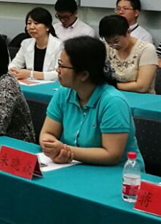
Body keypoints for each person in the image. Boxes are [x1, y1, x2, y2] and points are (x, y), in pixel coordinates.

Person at [40, 36, 143, 166]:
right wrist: (53, 149)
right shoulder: (63, 93)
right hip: (75, 166)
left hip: (119, 173)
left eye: (62, 66)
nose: (57, 70)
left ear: (84, 75)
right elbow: (47, 133)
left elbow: (112, 154)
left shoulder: (113, 102)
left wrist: (66, 151)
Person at [99, 15, 157, 94]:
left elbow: (142, 87)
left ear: (128, 32)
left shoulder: (146, 49)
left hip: (141, 97)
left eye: (116, 41)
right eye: (108, 42)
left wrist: (112, 85)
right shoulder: (107, 48)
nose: (113, 46)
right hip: (113, 95)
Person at [9, 7, 62, 81]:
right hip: (30, 84)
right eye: (29, 23)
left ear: (47, 27)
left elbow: (58, 73)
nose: (31, 27)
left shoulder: (59, 45)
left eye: (36, 23)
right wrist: (13, 70)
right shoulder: (26, 43)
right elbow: (15, 64)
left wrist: (30, 74)